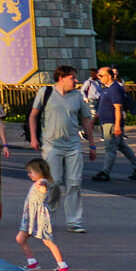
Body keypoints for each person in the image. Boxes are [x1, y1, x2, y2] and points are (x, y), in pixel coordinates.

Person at [27, 66, 95, 233]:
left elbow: (86, 121)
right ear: (62, 78)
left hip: (73, 145)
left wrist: (92, 145)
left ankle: (74, 221)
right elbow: (33, 115)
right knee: (53, 182)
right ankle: (46, 216)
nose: (76, 81)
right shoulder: (45, 92)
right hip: (51, 145)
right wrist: (34, 138)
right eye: (73, 78)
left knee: (74, 183)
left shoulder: (77, 96)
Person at [90, 66, 136, 181]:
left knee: (110, 148)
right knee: (122, 147)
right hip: (106, 122)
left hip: (111, 123)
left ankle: (105, 172)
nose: (98, 77)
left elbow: (118, 108)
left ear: (109, 76)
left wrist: (117, 125)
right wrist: (94, 119)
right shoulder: (106, 89)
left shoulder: (115, 89)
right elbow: (102, 107)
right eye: (98, 75)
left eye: (101, 75)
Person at [14, 158, 68, 271]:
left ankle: (62, 265)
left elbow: (44, 187)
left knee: (48, 241)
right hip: (30, 217)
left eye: (31, 172)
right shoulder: (38, 182)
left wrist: (42, 186)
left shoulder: (42, 182)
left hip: (39, 217)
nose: (29, 174)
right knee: (20, 239)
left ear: (40, 172)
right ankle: (32, 262)